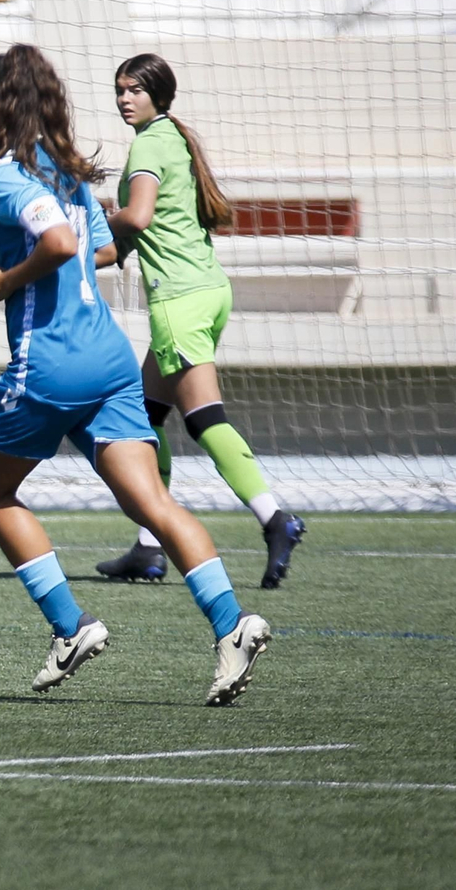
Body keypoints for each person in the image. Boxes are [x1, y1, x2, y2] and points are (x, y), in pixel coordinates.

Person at [0, 44, 269, 706]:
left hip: (49, 364)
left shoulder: (8, 175)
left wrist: (3, 281)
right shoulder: (68, 174)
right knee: (153, 503)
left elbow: (59, 245)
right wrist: (13, 261)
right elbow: (83, 243)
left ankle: (71, 626)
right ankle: (233, 624)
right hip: (107, 357)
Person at [95, 53, 306, 589]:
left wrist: (86, 220)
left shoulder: (148, 144)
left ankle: (275, 519)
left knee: (204, 420)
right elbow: (127, 241)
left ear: (158, 95)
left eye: (135, 90)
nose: (124, 98)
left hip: (181, 302)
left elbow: (136, 219)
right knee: (143, 418)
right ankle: (148, 547)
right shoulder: (174, 140)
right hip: (208, 293)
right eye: (119, 89)